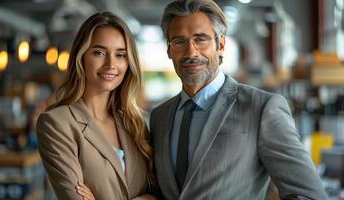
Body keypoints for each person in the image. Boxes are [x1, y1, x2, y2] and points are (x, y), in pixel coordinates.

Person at [149, 0, 327, 199]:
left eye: (201, 39)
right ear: (169, 49)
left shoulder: (262, 109)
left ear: (221, 45)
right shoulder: (159, 117)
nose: (191, 52)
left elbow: (310, 195)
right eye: (179, 41)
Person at [36, 11, 155, 200]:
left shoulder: (136, 124)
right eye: (99, 53)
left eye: (120, 55)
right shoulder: (56, 123)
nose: (111, 64)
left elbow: (158, 193)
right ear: (81, 57)